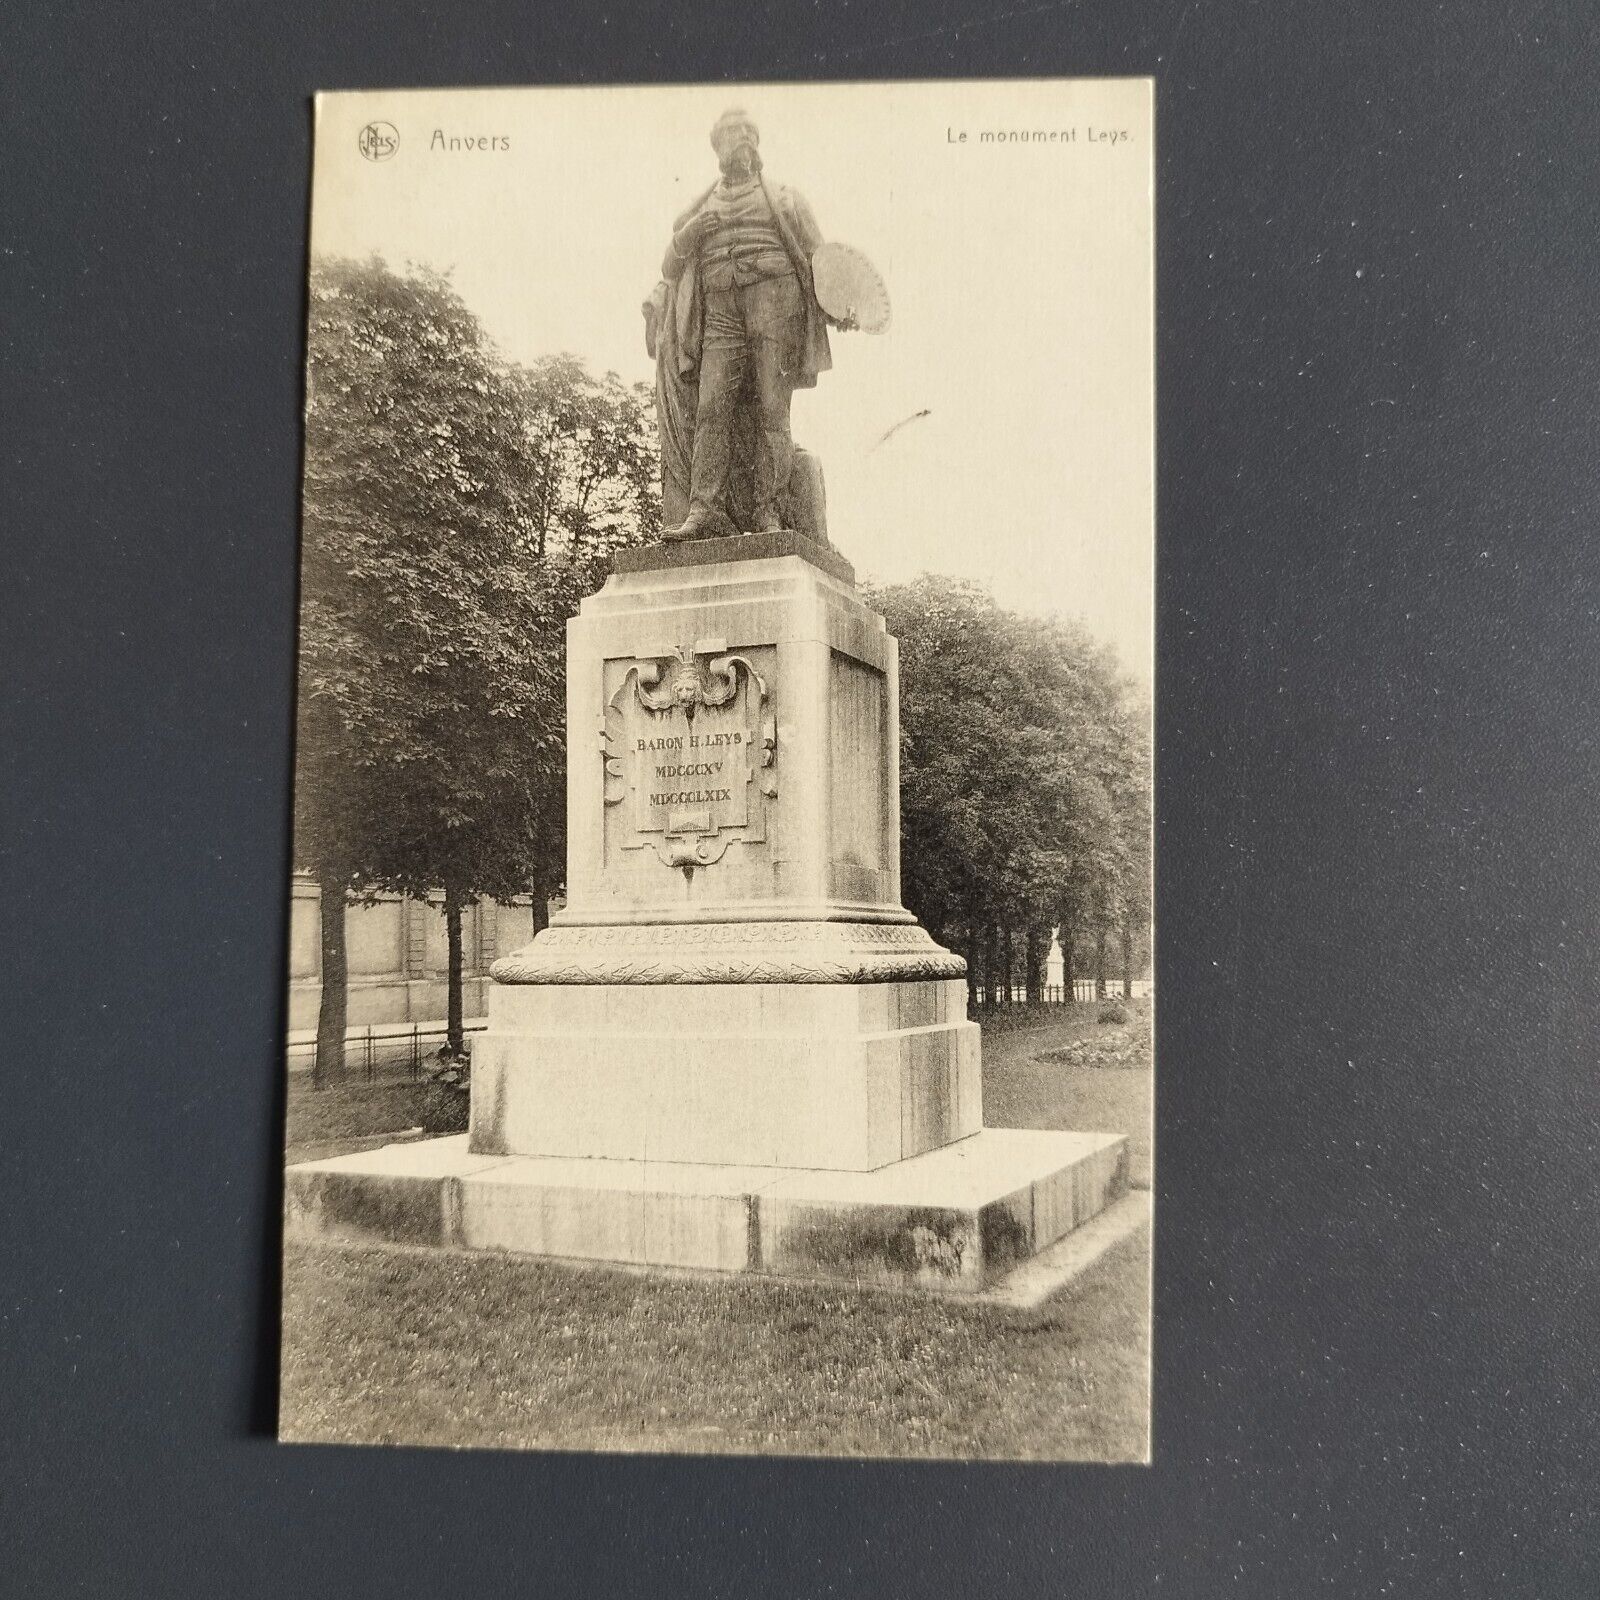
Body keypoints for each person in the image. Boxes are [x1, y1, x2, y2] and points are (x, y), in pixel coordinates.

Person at [652, 108, 853, 542]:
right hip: (720, 309)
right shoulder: (699, 207)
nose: (741, 139)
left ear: (757, 145)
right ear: (717, 146)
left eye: (748, 133)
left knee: (771, 410)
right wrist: (686, 237)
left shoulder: (784, 197)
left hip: (774, 302)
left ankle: (767, 512)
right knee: (711, 409)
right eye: (731, 133)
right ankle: (703, 510)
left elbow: (823, 261)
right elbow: (669, 268)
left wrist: (842, 306)